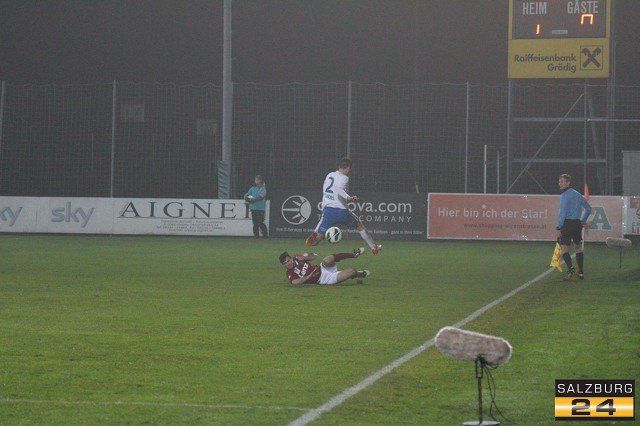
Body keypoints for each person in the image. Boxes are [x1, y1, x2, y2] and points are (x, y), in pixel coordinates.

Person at [305, 157, 382, 254]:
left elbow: (330, 189)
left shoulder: (329, 175)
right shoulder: (345, 178)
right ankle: (374, 247)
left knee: (319, 234)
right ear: (348, 168)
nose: (350, 171)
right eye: (350, 169)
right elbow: (339, 190)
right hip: (342, 211)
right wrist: (349, 198)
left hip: (329, 211)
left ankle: (312, 243)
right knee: (359, 226)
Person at [556, 174, 591, 281]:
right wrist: (582, 221)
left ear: (568, 183)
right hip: (577, 224)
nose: (560, 184)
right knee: (578, 248)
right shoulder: (578, 194)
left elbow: (562, 213)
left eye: (562, 181)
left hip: (567, 224)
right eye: (559, 181)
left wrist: (558, 227)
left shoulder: (564, 196)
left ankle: (571, 270)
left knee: (564, 250)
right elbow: (588, 208)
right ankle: (581, 272)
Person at [279, 248, 369, 285]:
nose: (288, 263)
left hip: (322, 268)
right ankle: (358, 274)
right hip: (324, 279)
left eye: (288, 260)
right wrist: (308, 277)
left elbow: (315, 256)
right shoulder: (289, 273)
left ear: (291, 259)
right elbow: (295, 282)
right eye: (285, 263)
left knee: (328, 259)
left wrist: (304, 257)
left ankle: (353, 254)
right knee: (351, 271)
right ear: (283, 265)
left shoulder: (297, 258)